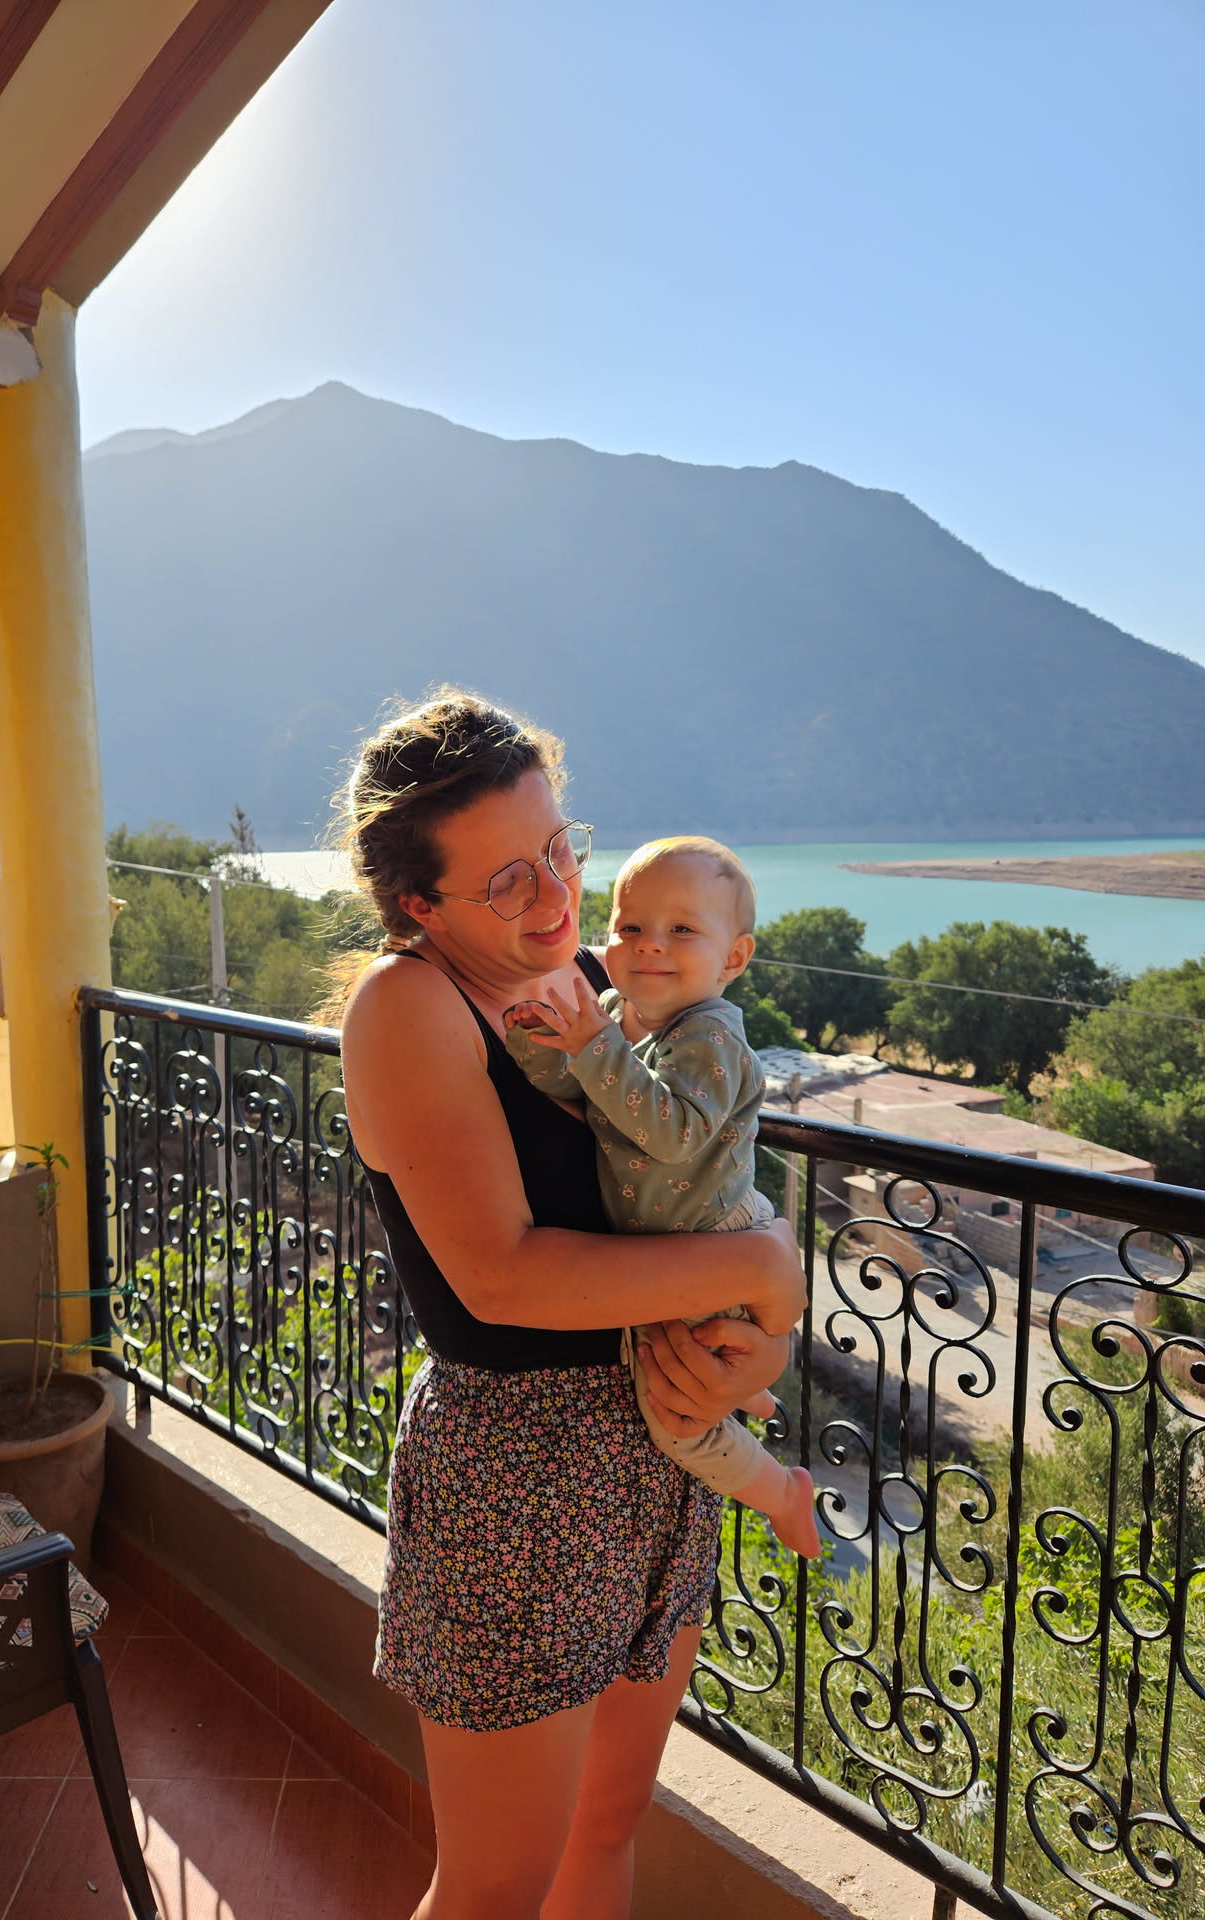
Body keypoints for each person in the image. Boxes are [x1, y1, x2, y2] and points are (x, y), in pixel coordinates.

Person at [334, 690, 807, 1920]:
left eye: (559, 848)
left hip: (654, 1449)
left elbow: (707, 1164)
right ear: (420, 905)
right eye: (507, 880)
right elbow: (503, 1273)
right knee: (496, 1885)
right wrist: (761, 1273)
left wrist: (760, 1314)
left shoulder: (593, 983)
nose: (555, 895)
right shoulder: (408, 1008)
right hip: (521, 1479)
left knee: (606, 1825)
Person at [502, 835, 820, 1559]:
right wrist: (539, 1046)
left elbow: (673, 1132)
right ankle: (752, 1394)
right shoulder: (615, 1013)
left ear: (733, 958)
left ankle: (781, 1493)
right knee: (695, 1366)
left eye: (681, 929)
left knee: (676, 1420)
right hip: (675, 1246)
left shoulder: (711, 1037)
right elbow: (585, 1087)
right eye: (631, 926)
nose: (650, 944)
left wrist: (592, 1045)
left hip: (711, 1237)